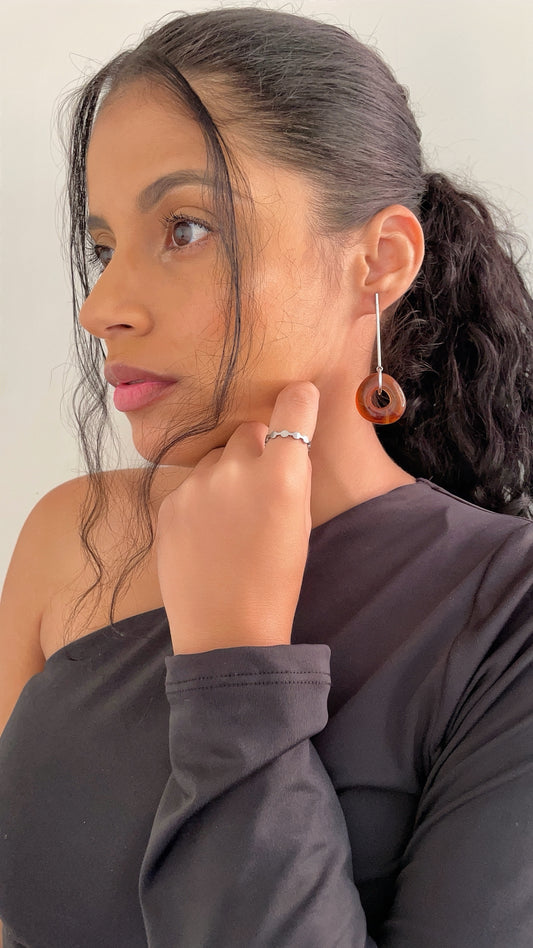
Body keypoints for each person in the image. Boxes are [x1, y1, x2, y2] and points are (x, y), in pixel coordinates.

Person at [1, 6, 532, 946]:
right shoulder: (71, 539)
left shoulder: (506, 612)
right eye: (102, 246)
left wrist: (234, 657)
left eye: (185, 228)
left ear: (378, 262)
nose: (100, 306)